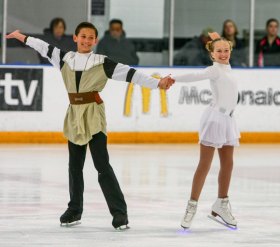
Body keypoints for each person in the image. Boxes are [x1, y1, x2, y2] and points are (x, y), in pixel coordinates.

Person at [6, 22, 174, 230]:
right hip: (74, 115)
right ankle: (74, 210)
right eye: (83, 36)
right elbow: (43, 46)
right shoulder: (64, 58)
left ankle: (119, 213)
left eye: (90, 37)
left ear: (95, 41)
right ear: (75, 38)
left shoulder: (102, 62)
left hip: (94, 114)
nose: (86, 40)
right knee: (74, 166)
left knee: (102, 165)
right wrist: (21, 37)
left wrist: (157, 83)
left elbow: (131, 74)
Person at [172, 32, 239, 229]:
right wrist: (172, 78)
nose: (223, 53)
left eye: (226, 50)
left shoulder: (226, 66)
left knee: (228, 164)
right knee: (205, 164)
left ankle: (221, 204)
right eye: (219, 51)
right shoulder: (215, 70)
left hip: (229, 120)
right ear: (212, 55)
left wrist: (219, 40)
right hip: (215, 120)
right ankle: (191, 207)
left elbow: (221, 48)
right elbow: (195, 75)